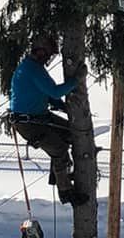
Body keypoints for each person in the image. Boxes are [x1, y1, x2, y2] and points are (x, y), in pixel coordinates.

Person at [9, 35, 87, 205]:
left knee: (71, 133)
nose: (49, 58)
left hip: (38, 116)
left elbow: (45, 93)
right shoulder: (31, 69)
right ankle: (65, 192)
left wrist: (61, 106)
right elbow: (55, 91)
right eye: (48, 54)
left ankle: (61, 174)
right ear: (40, 51)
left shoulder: (33, 67)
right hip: (29, 123)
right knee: (59, 149)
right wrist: (77, 80)